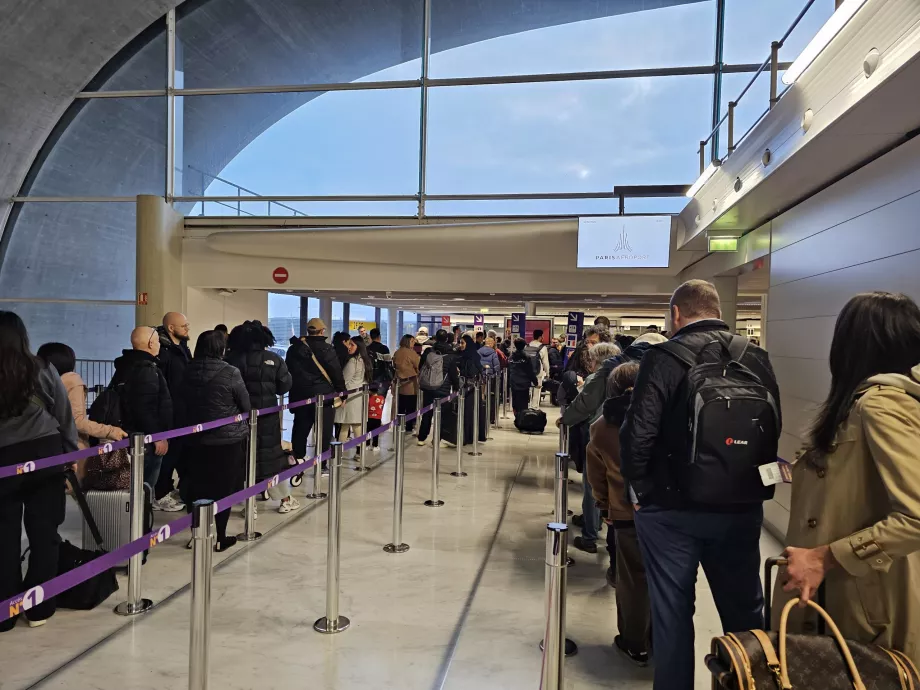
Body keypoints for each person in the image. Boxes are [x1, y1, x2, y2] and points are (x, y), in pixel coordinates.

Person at [621, 279, 781, 690]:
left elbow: (637, 435)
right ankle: (753, 682)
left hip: (672, 510)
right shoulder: (757, 357)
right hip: (741, 508)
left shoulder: (664, 358)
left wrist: (639, 493)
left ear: (677, 314)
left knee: (673, 615)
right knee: (746, 614)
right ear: (716, 308)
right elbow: (771, 429)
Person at [776, 292, 920, 664]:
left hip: (861, 604)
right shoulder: (863, 404)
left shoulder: (881, 406)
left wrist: (826, 557)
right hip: (848, 594)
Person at [0, 312, 78, 632]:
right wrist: (70, 455)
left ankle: (5, 612)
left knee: (3, 536)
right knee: (45, 533)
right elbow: (63, 413)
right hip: (44, 455)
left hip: (3, 460)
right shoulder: (42, 368)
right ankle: (39, 606)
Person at [585, 361, 649, 666]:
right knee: (673, 581)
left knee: (633, 581)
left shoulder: (603, 425)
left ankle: (634, 642)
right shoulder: (668, 414)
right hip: (670, 512)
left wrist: (604, 507)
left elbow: (596, 474)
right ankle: (667, 641)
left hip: (625, 514)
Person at [179, 330, 250, 552]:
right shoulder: (230, 372)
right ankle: (219, 536)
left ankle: (197, 534)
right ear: (221, 349)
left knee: (195, 487)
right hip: (225, 441)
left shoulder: (186, 370)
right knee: (222, 489)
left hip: (192, 439)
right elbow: (245, 404)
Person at [226, 321, 299, 515]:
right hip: (267, 417)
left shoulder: (231, 359)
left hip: (237, 417)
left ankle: (251, 505)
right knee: (270, 458)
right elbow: (285, 386)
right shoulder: (273, 359)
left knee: (243, 459)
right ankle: (285, 499)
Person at [559, 342, 620, 554]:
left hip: (595, 437)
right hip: (620, 440)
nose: (590, 364)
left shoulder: (597, 379)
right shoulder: (625, 377)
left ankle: (589, 536)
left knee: (592, 485)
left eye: (592, 360)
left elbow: (584, 405)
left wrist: (565, 420)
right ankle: (600, 522)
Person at [36, 342, 127, 480]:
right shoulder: (72, 381)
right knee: (73, 492)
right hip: (70, 447)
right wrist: (110, 431)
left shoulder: (39, 382)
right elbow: (76, 421)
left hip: (43, 446)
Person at [112, 326, 173, 488]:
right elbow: (145, 408)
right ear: (151, 344)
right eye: (158, 342)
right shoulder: (147, 370)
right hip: (145, 441)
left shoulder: (124, 366)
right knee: (144, 488)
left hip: (128, 435)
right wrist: (158, 436)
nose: (160, 345)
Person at [285, 318, 346, 464]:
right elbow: (336, 372)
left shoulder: (293, 349)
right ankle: (322, 463)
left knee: (300, 428)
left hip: (300, 395)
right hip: (323, 396)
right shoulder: (326, 348)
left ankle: (298, 458)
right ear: (322, 331)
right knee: (324, 432)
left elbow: (288, 370)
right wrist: (343, 393)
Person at [153, 312, 192, 512]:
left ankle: (169, 488)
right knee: (166, 455)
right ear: (171, 328)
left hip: (183, 410)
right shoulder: (163, 351)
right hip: (168, 411)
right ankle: (159, 494)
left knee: (179, 452)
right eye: (184, 326)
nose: (187, 329)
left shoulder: (183, 348)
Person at [417, 329, 456, 446]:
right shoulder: (450, 354)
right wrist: (457, 387)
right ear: (447, 339)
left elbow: (421, 367)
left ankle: (422, 438)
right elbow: (453, 373)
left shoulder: (429, 351)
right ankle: (436, 439)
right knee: (441, 415)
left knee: (427, 414)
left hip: (428, 387)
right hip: (443, 389)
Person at [335, 336, 373, 452]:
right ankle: (360, 452)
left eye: (352, 344)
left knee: (345, 426)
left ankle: (338, 453)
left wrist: (342, 396)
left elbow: (345, 380)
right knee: (356, 425)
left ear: (359, 346)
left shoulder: (353, 361)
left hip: (350, 398)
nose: (349, 347)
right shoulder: (365, 360)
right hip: (360, 397)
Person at [456, 334, 485, 444]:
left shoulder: (471, 356)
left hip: (470, 389)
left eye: (463, 343)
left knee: (468, 412)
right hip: (468, 388)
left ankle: (468, 436)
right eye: (460, 343)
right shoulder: (463, 355)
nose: (461, 345)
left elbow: (473, 372)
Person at [366, 328, 391, 450]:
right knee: (377, 408)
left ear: (371, 336)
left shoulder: (367, 349)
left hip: (369, 381)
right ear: (379, 336)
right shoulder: (384, 349)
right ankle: (375, 442)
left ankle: (366, 438)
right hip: (382, 381)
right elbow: (388, 364)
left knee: (368, 407)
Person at [394, 334, 421, 431]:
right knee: (411, 406)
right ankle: (409, 426)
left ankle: (399, 424)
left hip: (399, 383)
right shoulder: (412, 353)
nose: (414, 343)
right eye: (412, 341)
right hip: (411, 383)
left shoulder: (397, 352)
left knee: (401, 405)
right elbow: (418, 366)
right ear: (408, 341)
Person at [508, 338, 538, 417]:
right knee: (524, 402)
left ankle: (516, 416)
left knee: (515, 401)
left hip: (514, 382)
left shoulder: (511, 357)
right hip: (524, 383)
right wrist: (535, 381)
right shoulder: (526, 357)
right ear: (524, 346)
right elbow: (530, 371)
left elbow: (509, 369)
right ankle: (522, 418)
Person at [524, 329, 551, 407]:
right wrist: (547, 373)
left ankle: (527, 406)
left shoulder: (527, 346)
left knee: (528, 389)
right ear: (540, 337)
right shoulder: (543, 347)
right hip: (538, 372)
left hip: (527, 372)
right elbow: (545, 362)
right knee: (537, 390)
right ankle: (534, 407)